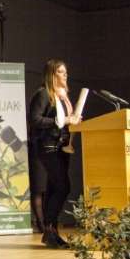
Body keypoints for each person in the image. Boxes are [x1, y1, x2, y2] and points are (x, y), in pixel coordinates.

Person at [28, 59, 80, 249]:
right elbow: (35, 120)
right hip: (48, 146)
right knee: (63, 187)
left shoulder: (62, 96)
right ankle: (48, 228)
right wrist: (63, 120)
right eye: (61, 72)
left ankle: (51, 232)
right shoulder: (43, 94)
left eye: (65, 72)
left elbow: (65, 121)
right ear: (52, 74)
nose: (65, 75)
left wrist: (73, 120)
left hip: (62, 146)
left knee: (53, 188)